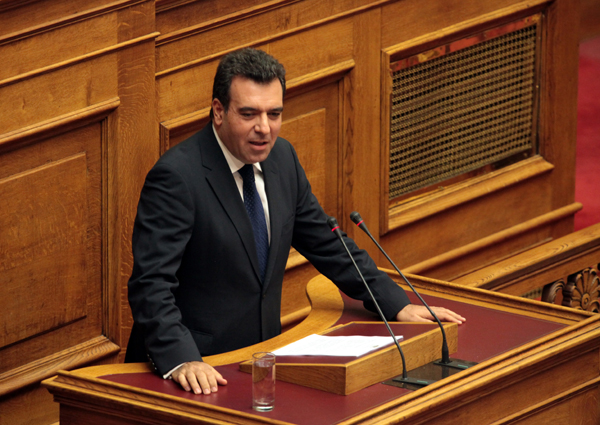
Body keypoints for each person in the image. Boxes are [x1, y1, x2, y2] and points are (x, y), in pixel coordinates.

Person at [125, 48, 465, 396]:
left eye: (274, 114)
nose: (264, 128)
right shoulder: (177, 177)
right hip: (197, 371)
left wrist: (395, 303)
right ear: (219, 111)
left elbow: (327, 243)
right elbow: (151, 284)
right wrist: (182, 359)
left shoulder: (282, 159)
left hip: (258, 362)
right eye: (249, 114)